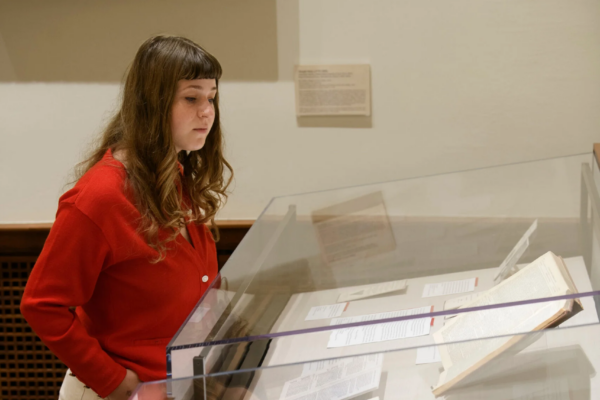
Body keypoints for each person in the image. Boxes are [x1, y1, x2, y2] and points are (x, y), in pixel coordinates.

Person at [20, 35, 233, 400]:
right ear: (153, 102)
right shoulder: (99, 196)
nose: (207, 112)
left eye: (211, 98)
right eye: (191, 98)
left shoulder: (176, 177)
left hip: (177, 385)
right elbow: (42, 305)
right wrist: (115, 381)